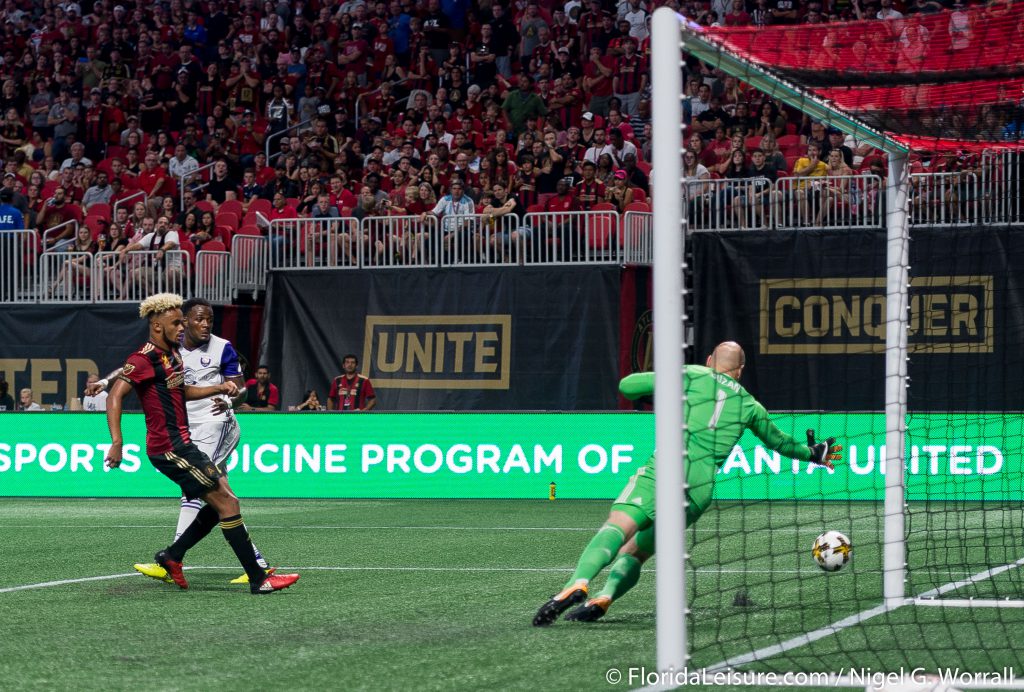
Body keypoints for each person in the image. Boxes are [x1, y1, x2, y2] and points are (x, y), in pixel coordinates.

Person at [533, 341, 842, 625]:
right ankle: (606, 596)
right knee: (636, 552)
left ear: (710, 361)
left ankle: (578, 582)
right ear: (741, 371)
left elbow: (628, 386)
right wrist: (813, 454)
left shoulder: (693, 374)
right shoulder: (751, 405)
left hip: (668, 466)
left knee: (617, 526)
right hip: (699, 489)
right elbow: (781, 444)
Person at [103, 293, 297, 594]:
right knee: (227, 502)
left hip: (185, 444)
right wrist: (117, 441)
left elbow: (181, 393)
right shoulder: (144, 358)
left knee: (220, 501)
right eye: (176, 322)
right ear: (157, 326)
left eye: (183, 321)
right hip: (169, 449)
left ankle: (172, 556)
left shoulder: (173, 356)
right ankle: (259, 577)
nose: (182, 327)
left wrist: (218, 387)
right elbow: (115, 396)